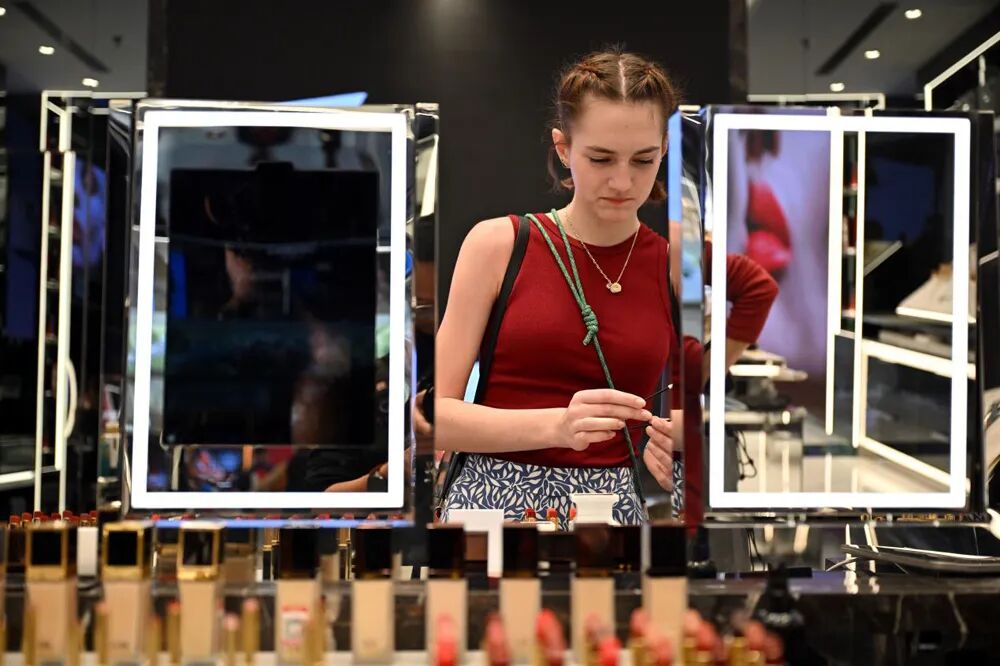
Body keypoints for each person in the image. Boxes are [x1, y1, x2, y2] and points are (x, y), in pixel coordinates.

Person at [435, 48, 778, 526]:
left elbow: (757, 289)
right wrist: (557, 425)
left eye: (643, 160)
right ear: (563, 149)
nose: (622, 181)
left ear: (664, 150)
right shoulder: (499, 244)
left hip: (611, 512)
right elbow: (434, 419)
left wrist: (685, 427)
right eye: (600, 158)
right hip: (492, 507)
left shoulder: (671, 260)